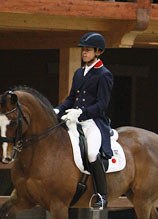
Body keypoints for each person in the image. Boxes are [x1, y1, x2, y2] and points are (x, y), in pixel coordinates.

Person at [54, 32, 114, 209]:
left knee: (91, 153)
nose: (84, 53)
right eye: (83, 50)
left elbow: (102, 105)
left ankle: (102, 195)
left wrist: (81, 112)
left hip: (93, 122)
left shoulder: (104, 74)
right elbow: (71, 97)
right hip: (75, 119)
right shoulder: (79, 73)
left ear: (98, 52)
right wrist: (59, 109)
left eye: (88, 50)